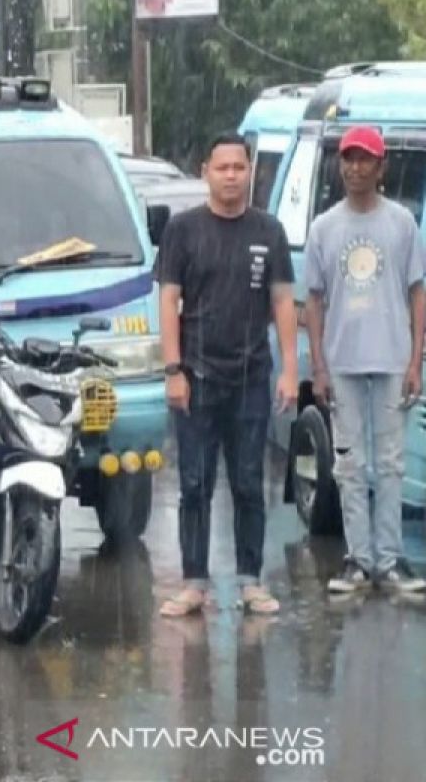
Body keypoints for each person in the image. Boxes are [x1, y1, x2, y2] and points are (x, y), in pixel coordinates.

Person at [155, 133, 298, 617]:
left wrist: (289, 371)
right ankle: (194, 582)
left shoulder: (269, 231)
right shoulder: (183, 231)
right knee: (194, 483)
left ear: (250, 173)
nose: (232, 175)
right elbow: (169, 301)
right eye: (223, 168)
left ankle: (250, 580)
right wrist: (173, 369)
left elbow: (282, 302)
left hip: (251, 376)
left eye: (240, 167)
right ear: (206, 172)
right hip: (196, 378)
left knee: (248, 481)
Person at [305, 126, 426, 595]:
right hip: (343, 362)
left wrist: (416, 359)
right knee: (349, 465)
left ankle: (390, 560)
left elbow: (417, 293)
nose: (356, 167)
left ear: (381, 167)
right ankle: (357, 559)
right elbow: (313, 302)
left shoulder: (401, 223)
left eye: (366, 159)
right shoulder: (324, 227)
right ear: (341, 165)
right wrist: (318, 364)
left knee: (391, 463)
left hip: (394, 359)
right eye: (349, 159)